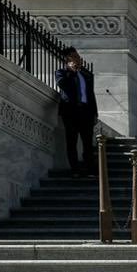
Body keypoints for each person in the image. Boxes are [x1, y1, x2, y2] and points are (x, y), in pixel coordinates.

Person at [55, 46, 98, 176]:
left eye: (78, 56)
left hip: (86, 112)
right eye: (74, 56)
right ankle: (75, 170)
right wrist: (71, 71)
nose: (78, 58)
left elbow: (91, 95)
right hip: (71, 112)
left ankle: (90, 168)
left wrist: (95, 113)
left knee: (88, 142)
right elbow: (63, 85)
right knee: (72, 141)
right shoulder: (61, 73)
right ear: (67, 59)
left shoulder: (87, 75)